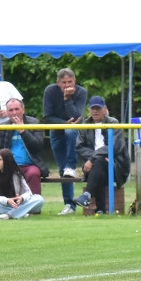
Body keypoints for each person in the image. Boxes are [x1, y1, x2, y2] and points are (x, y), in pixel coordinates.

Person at [74, 96, 131, 214]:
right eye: (93, 108)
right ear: (89, 110)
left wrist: (92, 159)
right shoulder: (85, 124)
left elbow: (114, 147)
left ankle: (87, 196)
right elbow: (79, 147)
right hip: (96, 165)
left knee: (98, 162)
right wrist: (94, 158)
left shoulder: (113, 123)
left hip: (116, 165)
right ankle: (100, 210)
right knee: (98, 165)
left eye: (98, 108)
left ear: (105, 109)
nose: (95, 111)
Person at [42, 67, 87, 214]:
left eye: (70, 82)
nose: (67, 86)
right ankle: (69, 205)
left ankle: (71, 166)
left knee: (71, 131)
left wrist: (67, 99)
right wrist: (63, 122)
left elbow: (77, 115)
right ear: (58, 83)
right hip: (56, 130)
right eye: (64, 82)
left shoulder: (81, 92)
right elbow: (47, 116)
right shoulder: (50, 91)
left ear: (75, 81)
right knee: (62, 171)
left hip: (73, 130)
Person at [0, 98, 49, 199]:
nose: (14, 113)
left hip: (29, 165)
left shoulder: (34, 123)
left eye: (17, 109)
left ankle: (34, 205)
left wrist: (23, 131)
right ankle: (8, 205)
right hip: (9, 165)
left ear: (23, 109)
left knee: (34, 173)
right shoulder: (3, 126)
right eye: (11, 110)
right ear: (7, 112)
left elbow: (38, 146)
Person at [0, 148, 45, 219]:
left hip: (16, 205)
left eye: (0, 160)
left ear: (7, 161)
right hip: (0, 204)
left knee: (39, 199)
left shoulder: (16, 173)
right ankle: (19, 213)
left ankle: (8, 215)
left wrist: (22, 198)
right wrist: (6, 200)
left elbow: (28, 193)